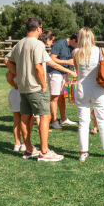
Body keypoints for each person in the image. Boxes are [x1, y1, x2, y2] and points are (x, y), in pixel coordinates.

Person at [5, 17, 63, 162]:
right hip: (35, 87)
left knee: (25, 116)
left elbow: (7, 60)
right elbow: (38, 66)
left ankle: (29, 149)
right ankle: (44, 151)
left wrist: (19, 75)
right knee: (45, 116)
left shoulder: (19, 43)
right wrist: (43, 85)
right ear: (39, 29)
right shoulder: (38, 44)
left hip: (23, 87)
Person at [73, 27, 104, 162]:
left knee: (83, 122)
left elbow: (76, 69)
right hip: (98, 87)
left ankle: (82, 153)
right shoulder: (100, 50)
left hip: (82, 87)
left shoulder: (75, 52)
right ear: (91, 36)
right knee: (102, 120)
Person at [47, 32, 79, 130]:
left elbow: (70, 61)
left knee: (62, 97)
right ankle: (54, 121)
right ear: (73, 40)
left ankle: (63, 119)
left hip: (65, 73)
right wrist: (67, 62)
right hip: (54, 73)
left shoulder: (72, 47)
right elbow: (51, 59)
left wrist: (72, 69)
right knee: (55, 97)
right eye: (78, 43)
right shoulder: (59, 44)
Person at [5, 68, 25, 152]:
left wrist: (14, 86)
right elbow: (9, 78)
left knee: (16, 120)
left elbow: (7, 75)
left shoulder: (12, 66)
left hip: (13, 92)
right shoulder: (19, 66)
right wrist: (16, 86)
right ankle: (25, 144)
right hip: (21, 92)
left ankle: (17, 144)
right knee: (25, 120)